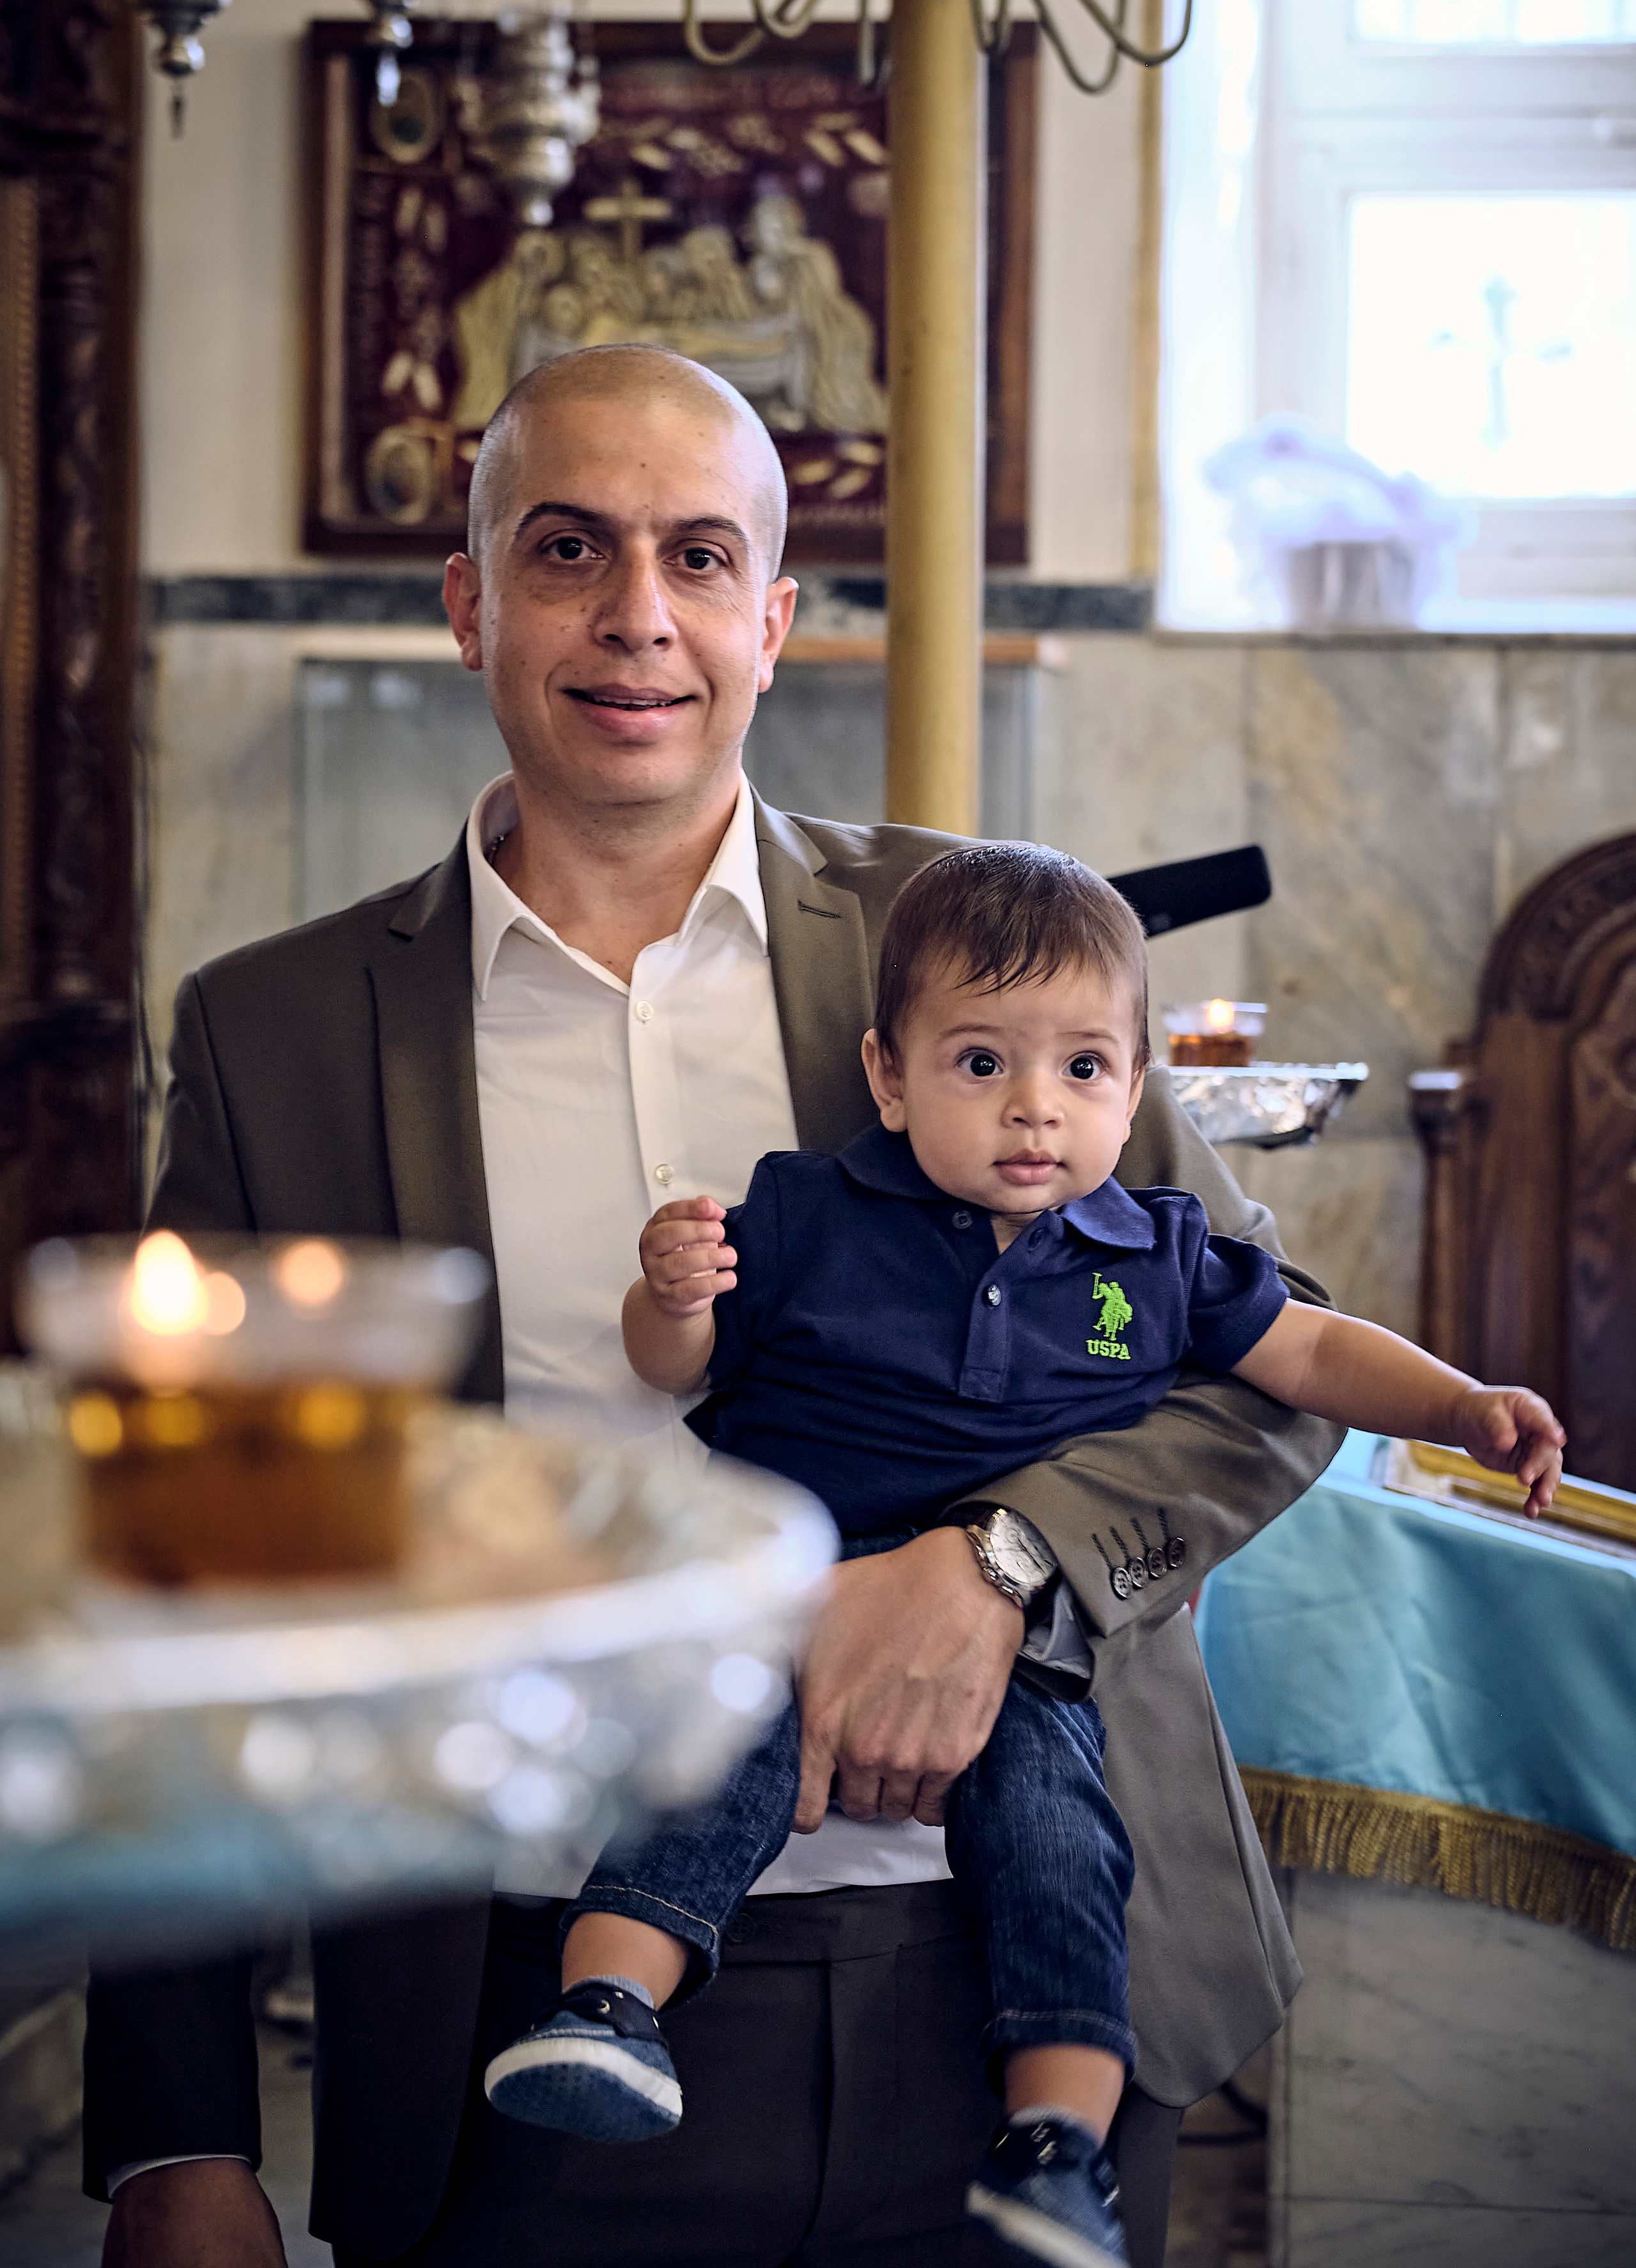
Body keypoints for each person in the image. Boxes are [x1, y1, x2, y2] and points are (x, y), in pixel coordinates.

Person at [88, 344, 1400, 2268]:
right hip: (523, 2008)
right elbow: (185, 1553)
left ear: (771, 623)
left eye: (699, 557)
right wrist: (176, 2133)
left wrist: (998, 1564)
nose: (640, 616)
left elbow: (1267, 1355)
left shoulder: (975, 943)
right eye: (567, 550)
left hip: (1012, 1976)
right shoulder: (272, 1033)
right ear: (468, 602)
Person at [480, 845, 1563, 2268]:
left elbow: (1305, 1352)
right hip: (791, 1581)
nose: (1033, 1108)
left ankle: (1056, 2140)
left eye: (1083, 1069)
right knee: (706, 1769)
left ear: (1135, 1085)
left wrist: (1460, 1406)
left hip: (1028, 1636)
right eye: (981, 1063)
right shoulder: (807, 1212)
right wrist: (671, 1294)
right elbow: (670, 1367)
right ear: (889, 1078)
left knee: (1057, 1841)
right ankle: (605, 2010)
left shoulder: (1154, 1251)